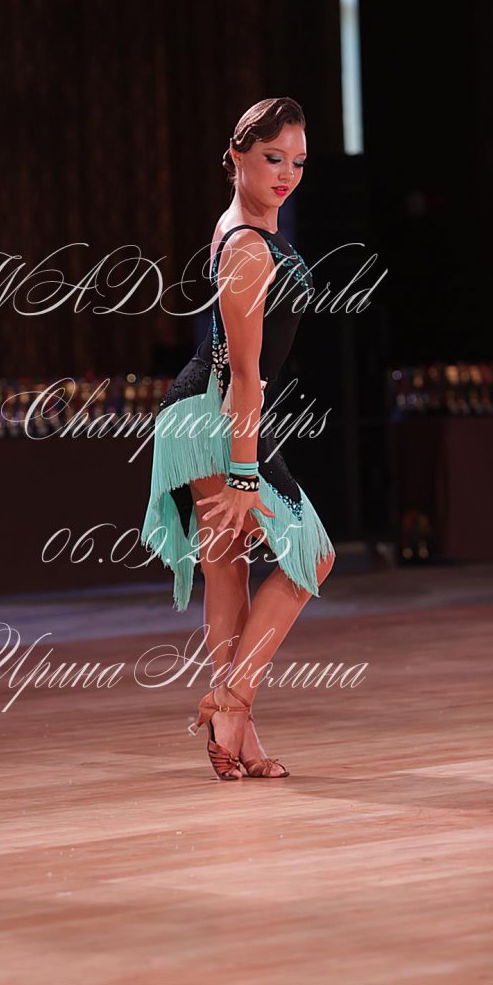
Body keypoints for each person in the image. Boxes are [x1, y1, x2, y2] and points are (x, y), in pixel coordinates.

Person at [140, 98, 336, 780]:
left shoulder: (245, 227)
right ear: (236, 157)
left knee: (228, 567)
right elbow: (246, 374)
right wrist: (246, 478)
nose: (286, 174)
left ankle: (238, 737)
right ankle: (232, 701)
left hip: (206, 410)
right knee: (313, 557)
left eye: (298, 162)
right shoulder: (248, 247)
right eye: (272, 158)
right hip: (214, 415)